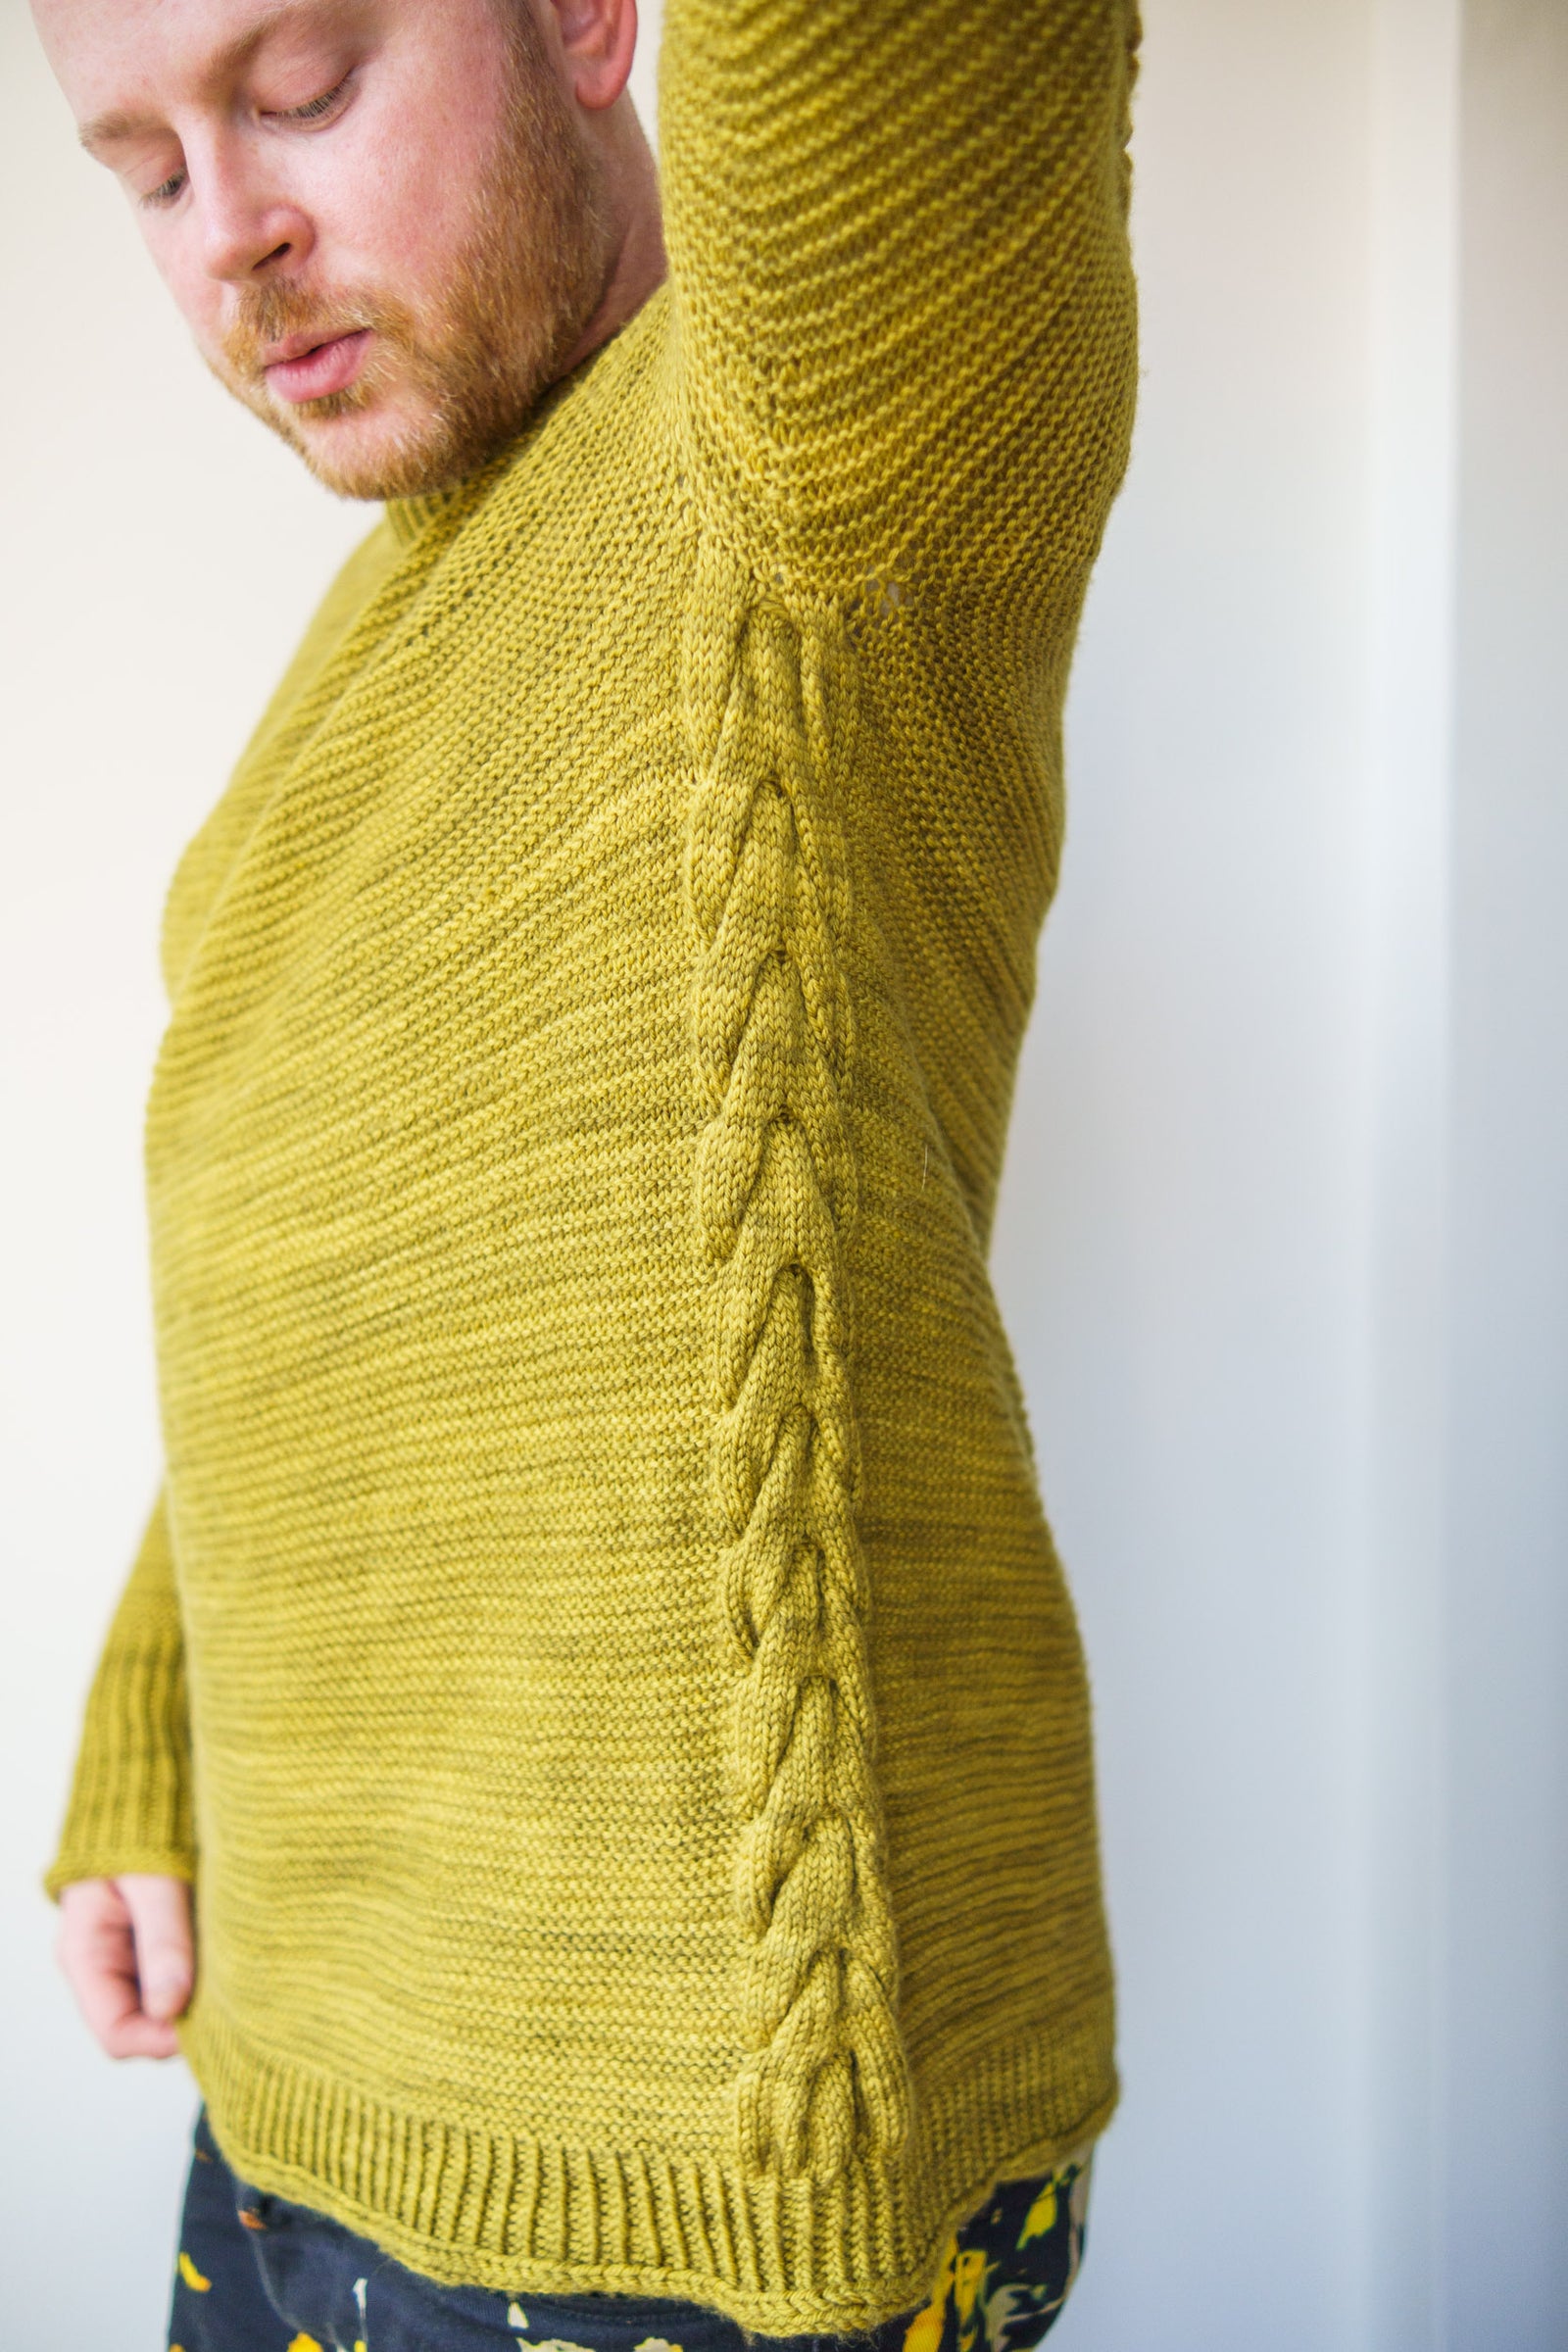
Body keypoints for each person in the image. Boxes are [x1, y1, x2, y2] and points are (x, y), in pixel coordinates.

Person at [33, 0, 1140, 2343]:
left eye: (300, 90)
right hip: (294, 2088)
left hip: (677, 2203)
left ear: (583, 16)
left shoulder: (812, 435)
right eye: (143, 169)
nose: (227, 234)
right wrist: (154, 1719)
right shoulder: (379, 632)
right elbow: (314, 1238)